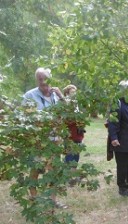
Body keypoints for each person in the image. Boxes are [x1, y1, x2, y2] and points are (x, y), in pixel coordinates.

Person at [23, 67, 66, 208]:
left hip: (55, 140)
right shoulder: (29, 96)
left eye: (45, 78)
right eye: (40, 79)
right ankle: (34, 199)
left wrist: (61, 96)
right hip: (37, 141)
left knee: (53, 170)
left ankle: (53, 201)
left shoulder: (56, 95)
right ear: (36, 80)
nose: (43, 81)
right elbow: (24, 118)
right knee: (36, 170)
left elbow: (70, 113)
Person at [62, 84, 85, 186]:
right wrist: (76, 119)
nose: (74, 94)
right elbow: (66, 120)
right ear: (67, 93)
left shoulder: (76, 105)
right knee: (70, 156)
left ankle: (73, 177)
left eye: (75, 92)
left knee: (76, 156)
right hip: (70, 135)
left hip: (78, 135)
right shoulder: (66, 105)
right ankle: (68, 179)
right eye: (72, 92)